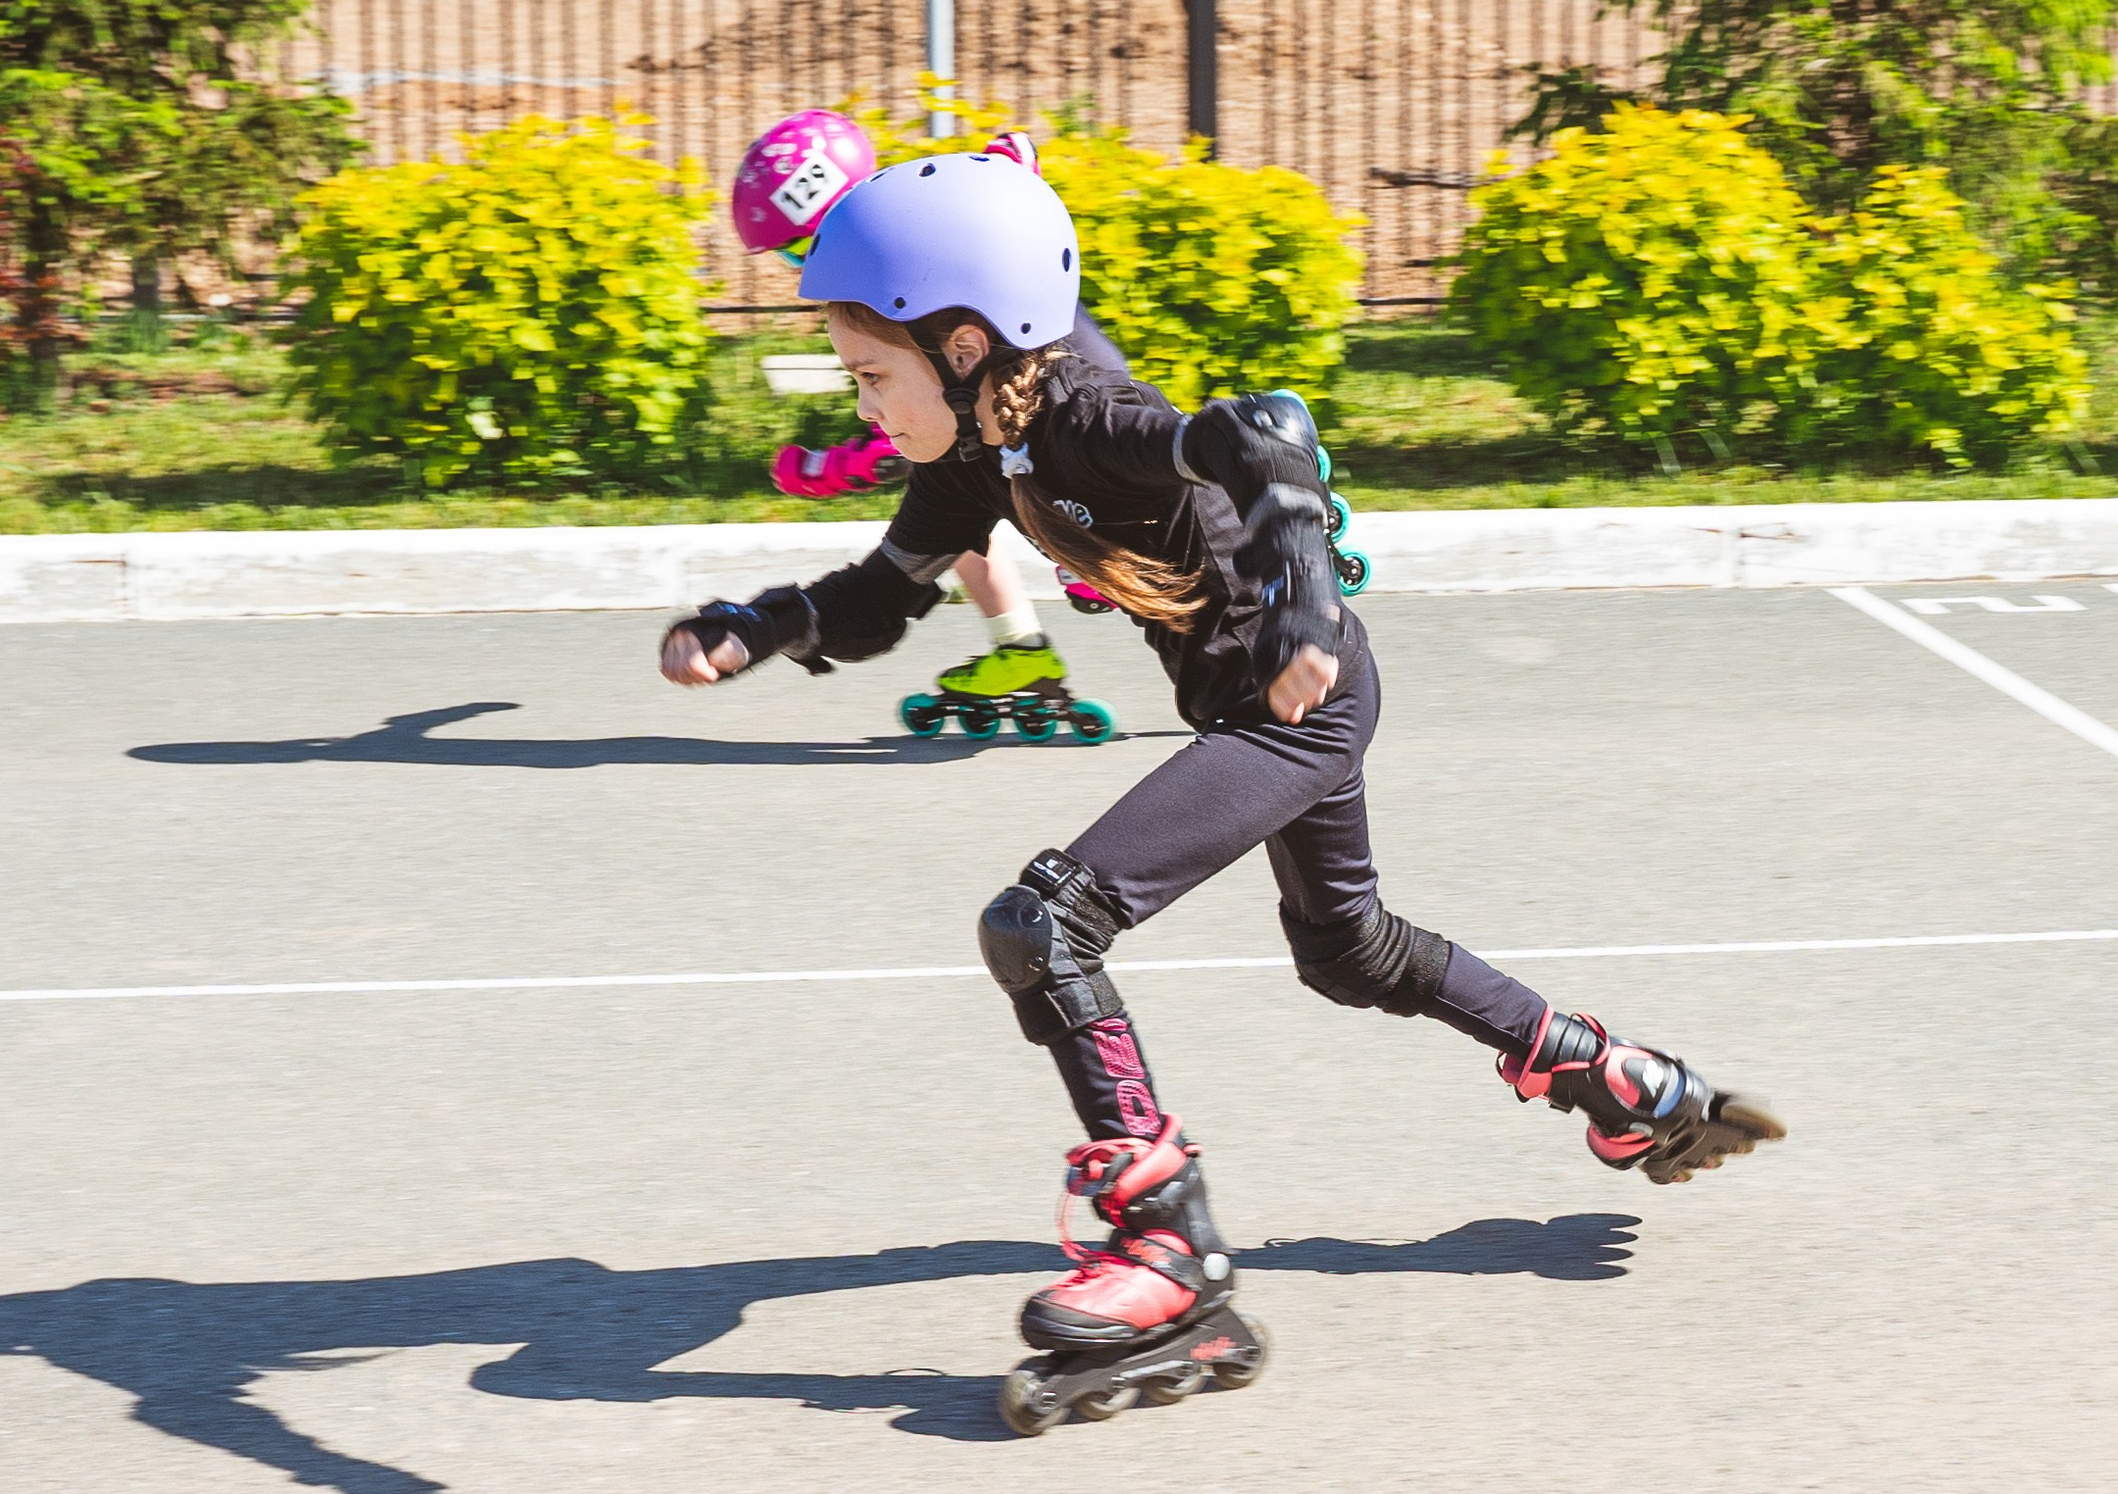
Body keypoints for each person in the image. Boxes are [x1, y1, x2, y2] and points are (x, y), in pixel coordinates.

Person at [664, 152, 1785, 1429]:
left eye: (873, 375)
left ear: (965, 345)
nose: (865, 407)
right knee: (1349, 950)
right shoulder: (977, 445)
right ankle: (1612, 1076)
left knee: (1042, 922)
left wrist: (1304, 604)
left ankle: (1167, 1248)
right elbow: (878, 598)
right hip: (1269, 703)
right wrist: (757, 626)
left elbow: (1268, 435)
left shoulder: (1081, 417)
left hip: (1295, 698)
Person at [731, 111, 1117, 725]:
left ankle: (1281, 504)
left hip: (1056, 378)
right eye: (791, 256)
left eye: (804, 248)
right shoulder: (890, 267)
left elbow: (957, 400)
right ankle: (1021, 648)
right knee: (955, 497)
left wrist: (847, 465)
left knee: (1045, 456)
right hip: (1001, 409)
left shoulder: (922, 256)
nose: (806, 270)